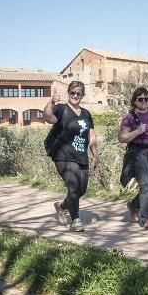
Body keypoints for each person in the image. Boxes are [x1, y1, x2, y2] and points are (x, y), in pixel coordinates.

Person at [43, 81, 99, 232]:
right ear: (68, 93)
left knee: (81, 190)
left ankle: (61, 207)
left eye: (78, 93)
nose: (75, 96)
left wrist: (95, 155)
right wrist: (51, 102)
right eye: (72, 93)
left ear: (82, 95)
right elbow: (49, 117)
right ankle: (76, 220)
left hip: (81, 155)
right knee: (73, 186)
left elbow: (91, 136)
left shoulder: (86, 114)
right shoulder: (62, 109)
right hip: (63, 154)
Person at [118, 87, 148, 230]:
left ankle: (133, 205)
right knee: (145, 186)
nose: (144, 101)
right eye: (140, 99)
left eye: (146, 99)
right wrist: (137, 131)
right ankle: (147, 219)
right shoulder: (130, 118)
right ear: (134, 101)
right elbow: (121, 138)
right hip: (139, 154)